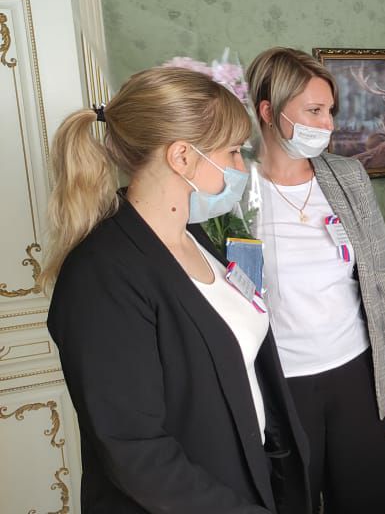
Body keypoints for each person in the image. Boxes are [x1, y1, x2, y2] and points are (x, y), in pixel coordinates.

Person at [43, 67, 309, 513]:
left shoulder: (198, 239)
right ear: (182, 156)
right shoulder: (101, 276)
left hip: (245, 481)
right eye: (232, 152)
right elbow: (135, 450)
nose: (241, 167)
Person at [245, 47, 385, 512]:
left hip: (356, 375)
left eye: (330, 111)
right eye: (314, 111)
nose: (328, 125)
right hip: (281, 386)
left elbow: (381, 281)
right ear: (268, 112)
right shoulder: (236, 191)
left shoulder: (348, 178)